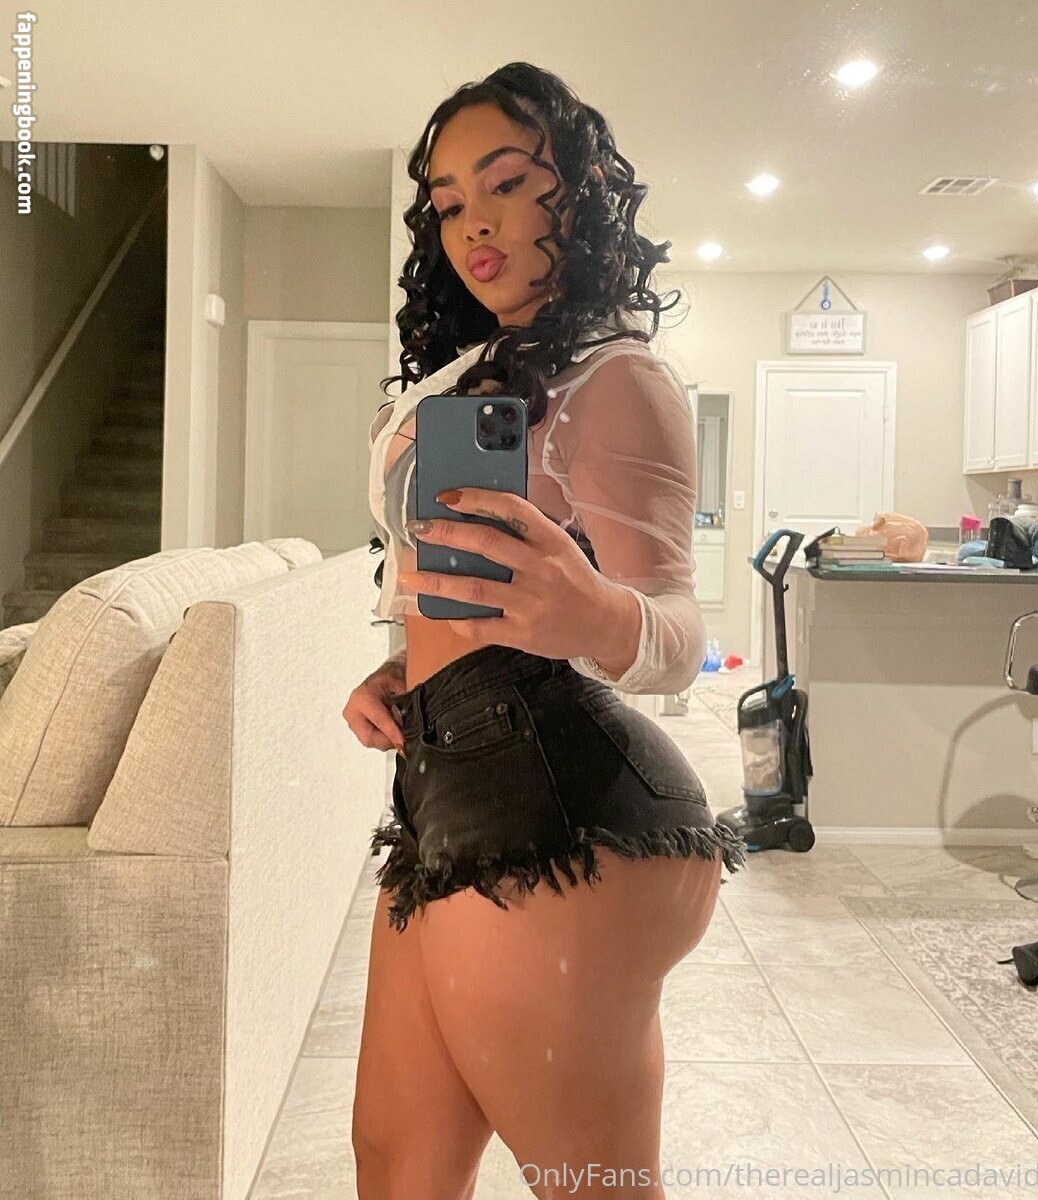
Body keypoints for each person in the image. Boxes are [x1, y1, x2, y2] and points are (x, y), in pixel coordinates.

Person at [341, 62, 747, 1200]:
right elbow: (480, 592)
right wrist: (401, 665)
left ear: (585, 189)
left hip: (564, 805)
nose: (474, 221)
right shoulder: (470, 377)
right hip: (443, 785)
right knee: (396, 1165)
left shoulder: (618, 378)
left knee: (590, 1185)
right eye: (449, 202)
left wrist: (594, 611)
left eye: (509, 183)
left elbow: (679, 634)